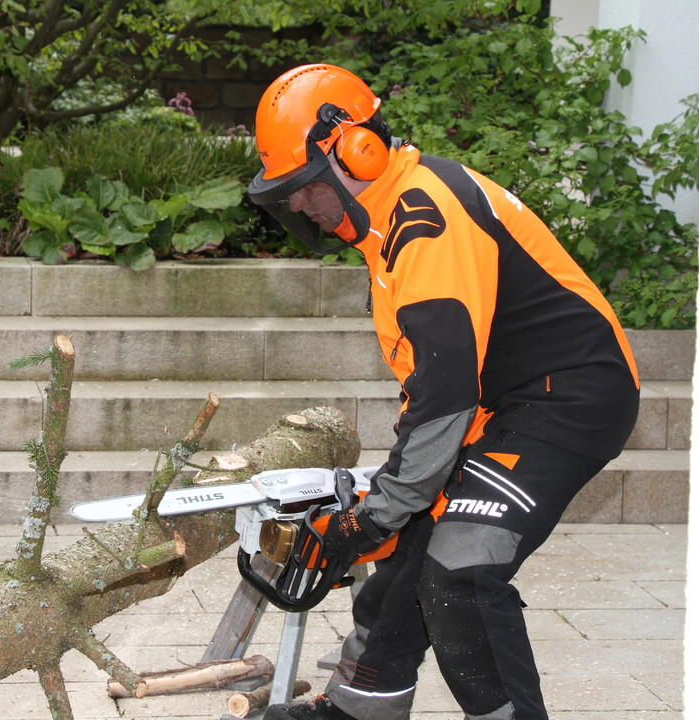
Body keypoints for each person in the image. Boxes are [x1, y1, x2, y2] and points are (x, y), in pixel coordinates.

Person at [246, 64, 641, 720]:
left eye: (302, 188)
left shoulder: (425, 218)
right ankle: (358, 709)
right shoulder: (389, 222)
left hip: (569, 398)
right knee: (406, 567)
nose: (296, 205)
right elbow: (432, 387)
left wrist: (372, 515)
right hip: (505, 402)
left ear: (353, 149)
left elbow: (446, 397)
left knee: (461, 571)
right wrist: (391, 506)